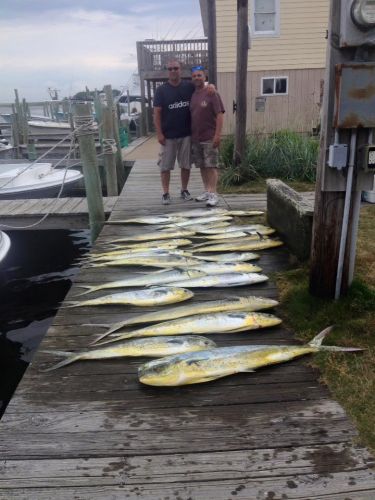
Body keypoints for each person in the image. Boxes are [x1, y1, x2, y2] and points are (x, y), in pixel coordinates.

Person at [153, 59, 195, 205]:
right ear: (167, 71)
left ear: (180, 69)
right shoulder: (161, 90)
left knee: (186, 165)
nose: (173, 71)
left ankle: (184, 190)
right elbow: (157, 113)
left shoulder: (189, 87)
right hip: (168, 136)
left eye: (175, 68)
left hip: (186, 134)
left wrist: (212, 87)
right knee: (165, 166)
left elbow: (203, 88)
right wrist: (159, 133)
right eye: (170, 69)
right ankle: (165, 193)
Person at [190, 66, 225, 207]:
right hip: (196, 138)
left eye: (199, 75)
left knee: (211, 166)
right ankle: (207, 191)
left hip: (209, 137)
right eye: (194, 76)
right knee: (202, 166)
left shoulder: (212, 93)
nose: (197, 78)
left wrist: (217, 135)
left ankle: (214, 194)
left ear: (204, 77)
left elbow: (220, 114)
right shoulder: (194, 94)